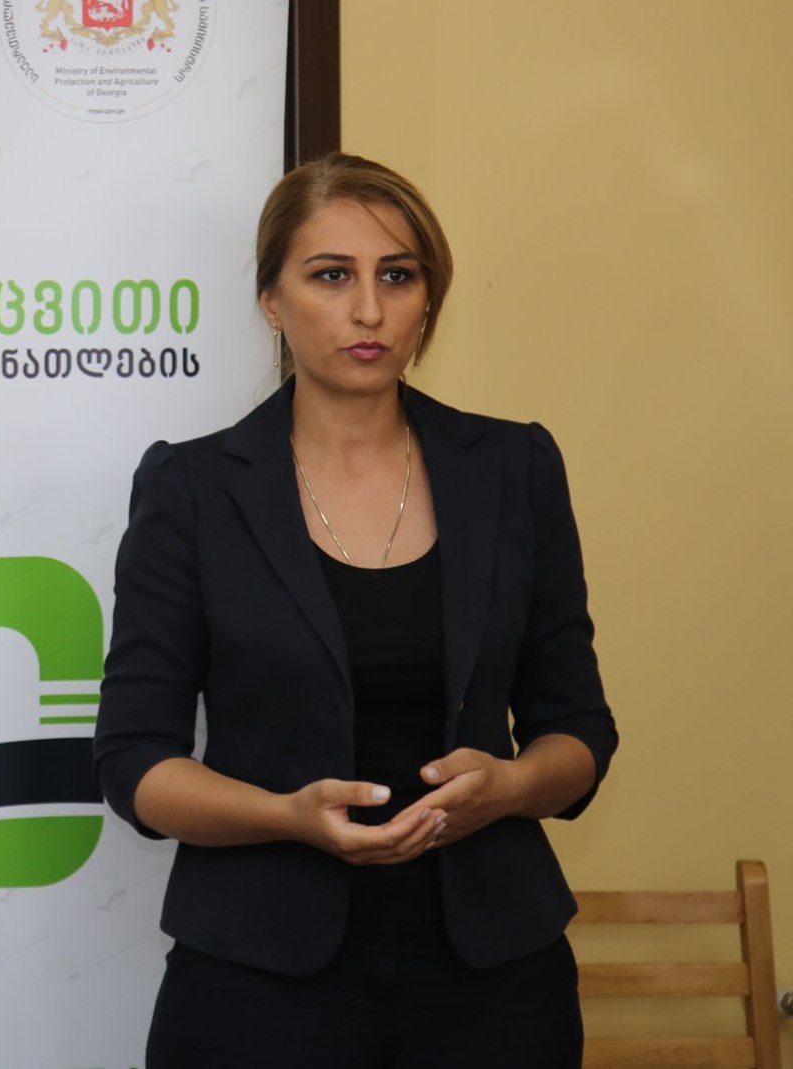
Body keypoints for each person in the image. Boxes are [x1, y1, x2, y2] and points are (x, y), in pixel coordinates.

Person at [93, 153, 616, 1068]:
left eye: (397, 276)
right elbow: (135, 761)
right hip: (258, 984)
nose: (368, 309)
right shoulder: (192, 488)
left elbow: (578, 731)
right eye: (331, 275)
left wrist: (507, 789)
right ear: (272, 299)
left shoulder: (515, 469)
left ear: (427, 299)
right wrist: (287, 815)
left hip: (494, 981)